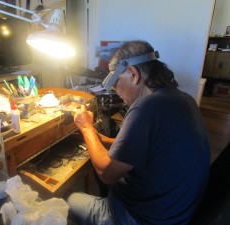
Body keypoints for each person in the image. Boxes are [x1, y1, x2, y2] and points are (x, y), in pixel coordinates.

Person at [66, 40, 210, 225]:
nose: (116, 91)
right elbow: (141, 148)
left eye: (116, 82)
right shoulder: (183, 99)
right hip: (177, 210)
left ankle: (110, 213)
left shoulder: (145, 107)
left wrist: (86, 128)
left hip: (144, 218)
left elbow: (106, 172)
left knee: (66, 198)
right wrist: (101, 138)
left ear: (133, 74)